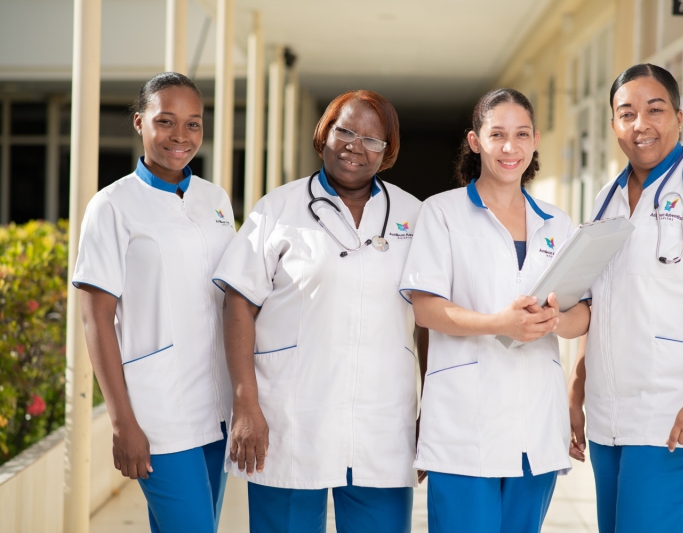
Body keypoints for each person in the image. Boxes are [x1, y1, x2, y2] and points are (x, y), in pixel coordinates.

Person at [213, 90, 425, 533]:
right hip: (290, 416)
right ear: (324, 133)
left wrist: (434, 412)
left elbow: (429, 319)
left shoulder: (414, 215)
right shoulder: (278, 208)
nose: (355, 145)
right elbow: (238, 305)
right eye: (344, 130)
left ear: (387, 153)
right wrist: (246, 404)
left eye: (373, 139)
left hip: (382, 420)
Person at [567, 64, 683, 533]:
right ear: (613, 125)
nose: (640, 125)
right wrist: (577, 388)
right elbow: (599, 306)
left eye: (654, 110)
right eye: (626, 113)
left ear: (678, 116)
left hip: (680, 416)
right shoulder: (605, 201)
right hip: (613, 415)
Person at [400, 88, 590, 533]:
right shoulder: (441, 213)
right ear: (475, 141)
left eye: (521, 134)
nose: (510, 147)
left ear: (536, 140)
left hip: (536, 425)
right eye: (498, 134)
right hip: (466, 423)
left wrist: (555, 321)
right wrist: (499, 324)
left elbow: (582, 312)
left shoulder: (557, 223)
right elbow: (425, 309)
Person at [73, 73, 234, 533]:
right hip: (158, 409)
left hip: (218, 405)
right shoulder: (112, 207)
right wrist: (122, 422)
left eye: (193, 124)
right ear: (140, 122)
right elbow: (96, 319)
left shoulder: (215, 199)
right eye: (166, 122)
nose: (180, 136)